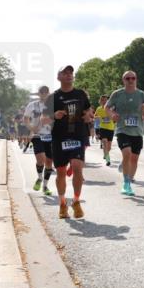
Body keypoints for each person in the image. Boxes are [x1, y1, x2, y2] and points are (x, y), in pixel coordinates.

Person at [44, 66, 93, 218]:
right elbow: (43, 119)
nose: (68, 75)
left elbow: (89, 110)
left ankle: (76, 201)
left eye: (70, 73)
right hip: (59, 138)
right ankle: (63, 203)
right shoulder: (52, 97)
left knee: (78, 168)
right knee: (61, 173)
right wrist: (54, 115)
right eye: (65, 73)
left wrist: (88, 116)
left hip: (77, 136)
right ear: (58, 77)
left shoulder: (80, 94)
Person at [105, 71, 144, 197]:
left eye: (133, 78)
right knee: (127, 153)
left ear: (136, 79)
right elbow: (107, 107)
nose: (131, 80)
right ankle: (126, 184)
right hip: (122, 129)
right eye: (128, 78)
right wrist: (112, 115)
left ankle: (129, 176)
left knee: (134, 159)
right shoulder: (117, 94)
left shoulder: (141, 94)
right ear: (124, 80)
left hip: (137, 131)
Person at [23, 87, 53, 196]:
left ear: (48, 93)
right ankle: (40, 178)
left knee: (49, 162)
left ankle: (45, 186)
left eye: (46, 92)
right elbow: (25, 118)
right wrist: (31, 128)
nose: (44, 94)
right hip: (37, 136)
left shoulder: (53, 105)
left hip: (51, 135)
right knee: (40, 160)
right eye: (42, 92)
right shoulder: (32, 105)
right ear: (39, 94)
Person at [93, 95, 115, 166]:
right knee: (105, 143)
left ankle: (105, 154)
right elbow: (94, 116)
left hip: (111, 128)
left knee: (109, 147)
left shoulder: (111, 108)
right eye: (102, 100)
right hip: (103, 128)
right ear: (100, 101)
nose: (104, 101)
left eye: (105, 100)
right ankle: (108, 160)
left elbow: (116, 116)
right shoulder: (99, 109)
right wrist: (99, 117)